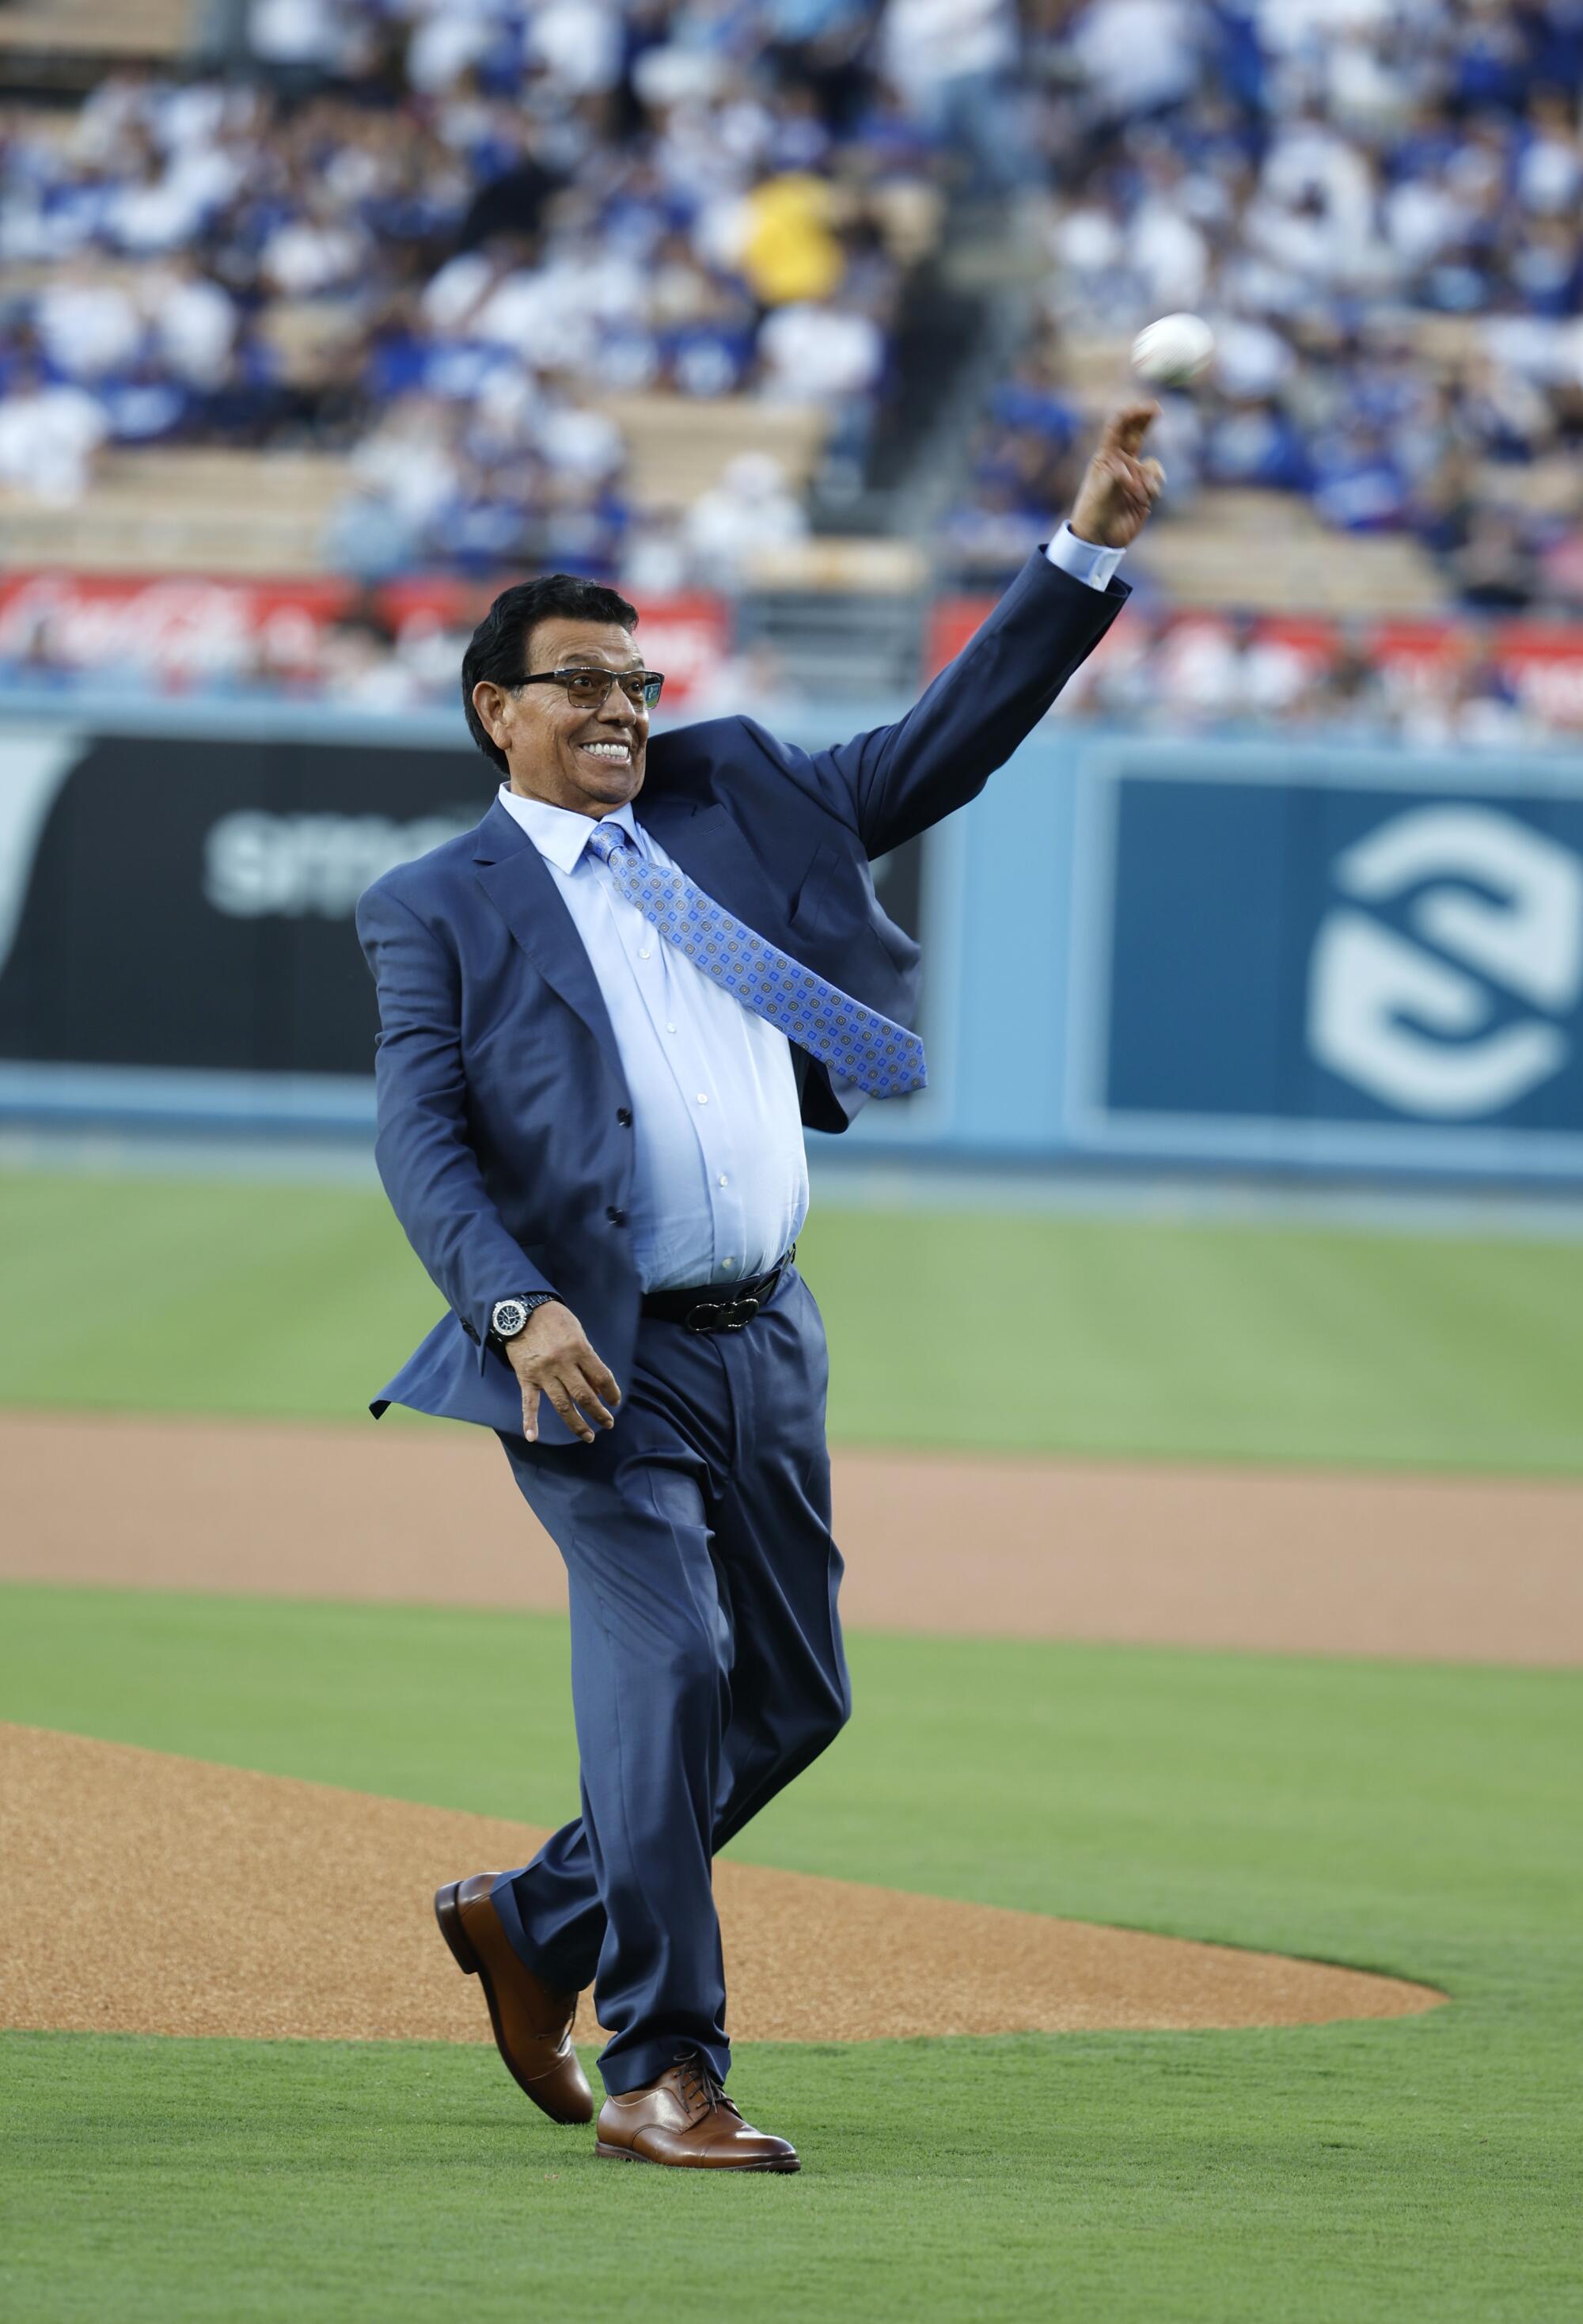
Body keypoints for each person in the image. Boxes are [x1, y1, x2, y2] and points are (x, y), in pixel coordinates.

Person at [355, 402, 1164, 2172]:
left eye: (638, 681)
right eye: (582, 682)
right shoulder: (440, 904)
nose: (623, 709)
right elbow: (424, 1142)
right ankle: (663, 2065)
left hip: (762, 1337)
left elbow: (945, 747)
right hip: (592, 1358)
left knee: (793, 1700)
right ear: (498, 707)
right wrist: (512, 1305)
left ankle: (530, 1920)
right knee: (672, 1668)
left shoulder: (735, 795)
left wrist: (1081, 548)